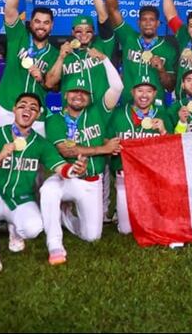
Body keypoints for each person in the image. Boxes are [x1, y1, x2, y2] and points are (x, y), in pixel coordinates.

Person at [0, 93, 71, 272]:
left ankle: (15, 229)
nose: (27, 110)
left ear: (38, 115)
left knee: (34, 228)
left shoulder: (40, 143)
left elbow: (59, 166)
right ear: (14, 109)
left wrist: (73, 169)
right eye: (22, 105)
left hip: (21, 199)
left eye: (33, 108)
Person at [41, 68, 124, 266]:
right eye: (73, 91)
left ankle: (65, 214)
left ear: (89, 97)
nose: (78, 95)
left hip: (91, 181)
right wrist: (103, 148)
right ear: (65, 95)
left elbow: (117, 87)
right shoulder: (54, 119)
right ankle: (54, 244)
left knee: (92, 236)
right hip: (66, 179)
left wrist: (103, 59)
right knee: (48, 189)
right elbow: (65, 151)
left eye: (83, 92)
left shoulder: (97, 112)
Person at [106, 73, 174, 236]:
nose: (144, 95)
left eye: (149, 91)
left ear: (155, 93)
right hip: (125, 178)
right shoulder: (119, 113)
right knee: (126, 229)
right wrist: (110, 146)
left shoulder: (162, 113)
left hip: (153, 179)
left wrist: (164, 131)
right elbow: (106, 139)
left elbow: (173, 149)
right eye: (140, 91)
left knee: (156, 224)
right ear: (132, 92)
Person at [0, 0, 59, 131]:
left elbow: (56, 87)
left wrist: (42, 78)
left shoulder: (55, 54)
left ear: (51, 26)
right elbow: (10, 10)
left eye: (46, 23)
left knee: (33, 155)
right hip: (8, 107)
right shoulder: (19, 36)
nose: (41, 26)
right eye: (37, 21)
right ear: (31, 23)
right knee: (5, 152)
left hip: (36, 114)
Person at [104, 0, 177, 100]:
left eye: (152, 20)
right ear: (138, 23)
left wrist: (161, 70)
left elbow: (171, 86)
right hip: (128, 104)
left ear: (158, 23)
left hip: (156, 107)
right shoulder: (128, 37)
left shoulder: (168, 50)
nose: (148, 23)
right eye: (144, 19)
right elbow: (112, 10)